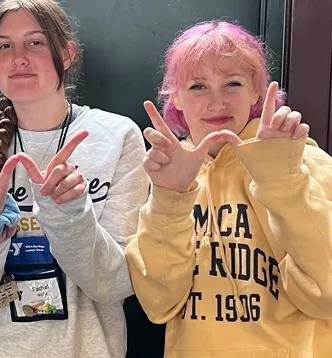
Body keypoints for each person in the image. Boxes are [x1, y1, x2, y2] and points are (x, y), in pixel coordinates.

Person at [0, 0, 150, 356]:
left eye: (35, 42)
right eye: (5, 45)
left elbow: (115, 284)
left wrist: (70, 214)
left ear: (67, 54)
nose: (18, 58)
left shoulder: (117, 137)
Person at [125, 20, 332, 357]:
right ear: (175, 97)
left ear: (257, 91)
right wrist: (170, 198)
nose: (216, 102)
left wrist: (283, 182)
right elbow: (158, 303)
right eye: (197, 87)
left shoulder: (305, 161)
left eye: (232, 83)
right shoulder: (168, 173)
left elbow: (326, 296)